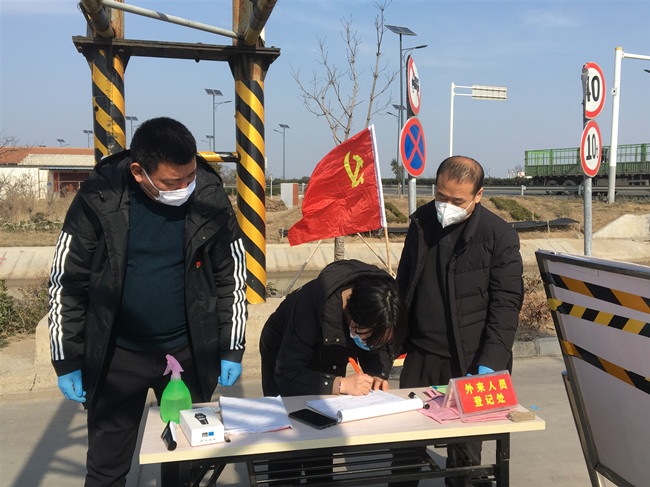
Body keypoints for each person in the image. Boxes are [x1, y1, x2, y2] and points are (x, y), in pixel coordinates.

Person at [48, 117, 247, 486]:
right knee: (107, 467)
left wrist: (231, 347)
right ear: (139, 172)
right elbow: (67, 281)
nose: (184, 188)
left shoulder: (210, 197)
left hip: (187, 352)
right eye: (172, 182)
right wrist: (66, 359)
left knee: (186, 461)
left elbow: (231, 276)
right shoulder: (98, 198)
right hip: (118, 356)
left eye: (190, 177)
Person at [394, 156, 524, 487]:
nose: (446, 206)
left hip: (471, 360)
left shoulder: (499, 235)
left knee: (465, 458)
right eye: (441, 196)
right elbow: (405, 282)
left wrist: (490, 363)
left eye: (457, 200)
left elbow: (506, 304)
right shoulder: (422, 221)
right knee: (406, 448)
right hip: (421, 355)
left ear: (478, 195)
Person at [259, 259, 406, 483]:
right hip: (283, 349)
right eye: (368, 338)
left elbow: (379, 346)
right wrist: (340, 384)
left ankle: (320, 479)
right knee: (288, 430)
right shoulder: (310, 307)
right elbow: (287, 373)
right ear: (352, 318)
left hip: (329, 344)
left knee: (324, 427)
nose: (371, 345)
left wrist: (377, 374)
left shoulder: (382, 302)